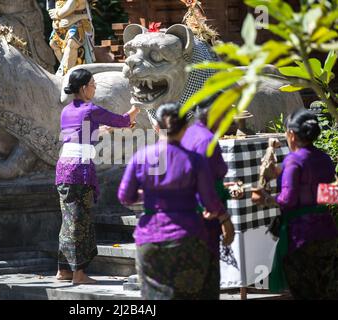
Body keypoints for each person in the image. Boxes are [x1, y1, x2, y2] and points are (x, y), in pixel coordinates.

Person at [117, 102, 234, 299]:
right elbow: (210, 201)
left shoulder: (141, 157)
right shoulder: (195, 160)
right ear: (185, 128)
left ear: (156, 127)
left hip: (149, 239)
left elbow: (124, 196)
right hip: (188, 237)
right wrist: (224, 218)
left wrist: (148, 196)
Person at [56, 68, 140, 284]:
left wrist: (105, 131)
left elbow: (79, 134)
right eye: (93, 84)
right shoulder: (90, 108)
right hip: (78, 171)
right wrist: (136, 109)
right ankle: (79, 274)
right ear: (83, 88)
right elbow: (122, 120)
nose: (95, 87)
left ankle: (64, 270)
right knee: (80, 221)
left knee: (68, 220)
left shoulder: (66, 111)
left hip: (63, 169)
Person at [252, 109, 338, 299]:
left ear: (291, 134)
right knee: (327, 292)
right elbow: (330, 196)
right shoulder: (325, 159)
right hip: (328, 233)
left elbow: (287, 200)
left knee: (306, 292)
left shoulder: (293, 161)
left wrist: (265, 198)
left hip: (301, 237)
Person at [180, 94, 238, 299]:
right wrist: (224, 218)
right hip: (201, 221)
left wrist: (224, 187)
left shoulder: (189, 134)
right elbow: (204, 186)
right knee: (204, 284)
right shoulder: (206, 140)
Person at [48, 0, 96, 75]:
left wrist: (71, 18)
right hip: (61, 27)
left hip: (78, 24)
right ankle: (64, 66)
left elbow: (64, 11)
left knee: (72, 43)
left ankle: (67, 72)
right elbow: (51, 12)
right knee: (53, 44)